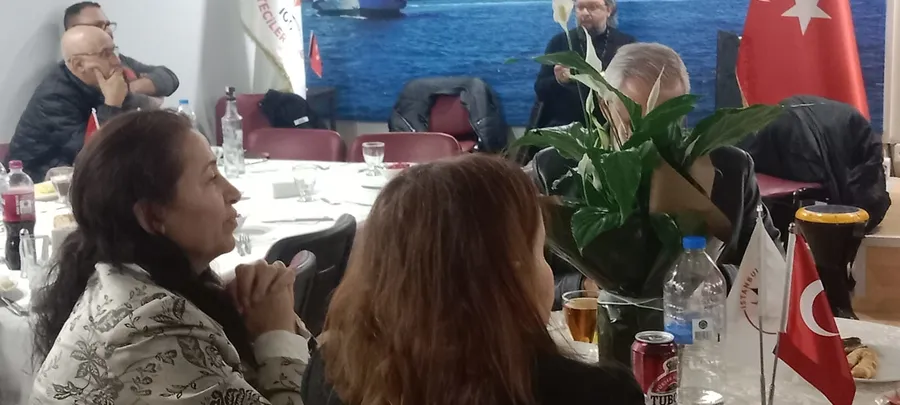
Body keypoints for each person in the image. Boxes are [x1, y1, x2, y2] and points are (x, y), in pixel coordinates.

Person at [301, 155, 644, 405]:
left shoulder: (332, 373)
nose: (548, 271)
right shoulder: (598, 395)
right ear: (509, 273)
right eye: (539, 251)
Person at [30, 110, 310, 404]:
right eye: (211, 178)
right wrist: (277, 334)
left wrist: (264, 313)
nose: (234, 192)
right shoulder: (145, 330)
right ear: (153, 216)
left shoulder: (147, 284)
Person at [536, 43, 780, 307]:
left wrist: (716, 282)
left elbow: (772, 267)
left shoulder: (732, 169)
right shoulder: (554, 170)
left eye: (665, 123)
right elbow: (520, 280)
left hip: (703, 325)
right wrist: (581, 287)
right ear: (605, 106)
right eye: (635, 124)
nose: (649, 143)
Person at [7, 26, 156, 180]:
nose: (116, 61)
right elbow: (92, 154)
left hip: (83, 173)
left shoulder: (107, 81)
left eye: (114, 51)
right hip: (37, 180)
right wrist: (112, 104)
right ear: (78, 65)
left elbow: (133, 129)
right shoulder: (54, 97)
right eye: (106, 54)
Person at [532, 0, 635, 128]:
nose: (585, 13)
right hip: (567, 127)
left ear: (609, 10)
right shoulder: (559, 42)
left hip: (612, 126)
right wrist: (559, 80)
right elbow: (540, 90)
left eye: (593, 7)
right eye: (580, 7)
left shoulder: (626, 44)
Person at [64, 1, 179, 106]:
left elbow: (169, 78)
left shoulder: (120, 60)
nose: (108, 31)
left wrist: (129, 88)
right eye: (98, 26)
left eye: (107, 25)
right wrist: (115, 100)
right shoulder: (60, 91)